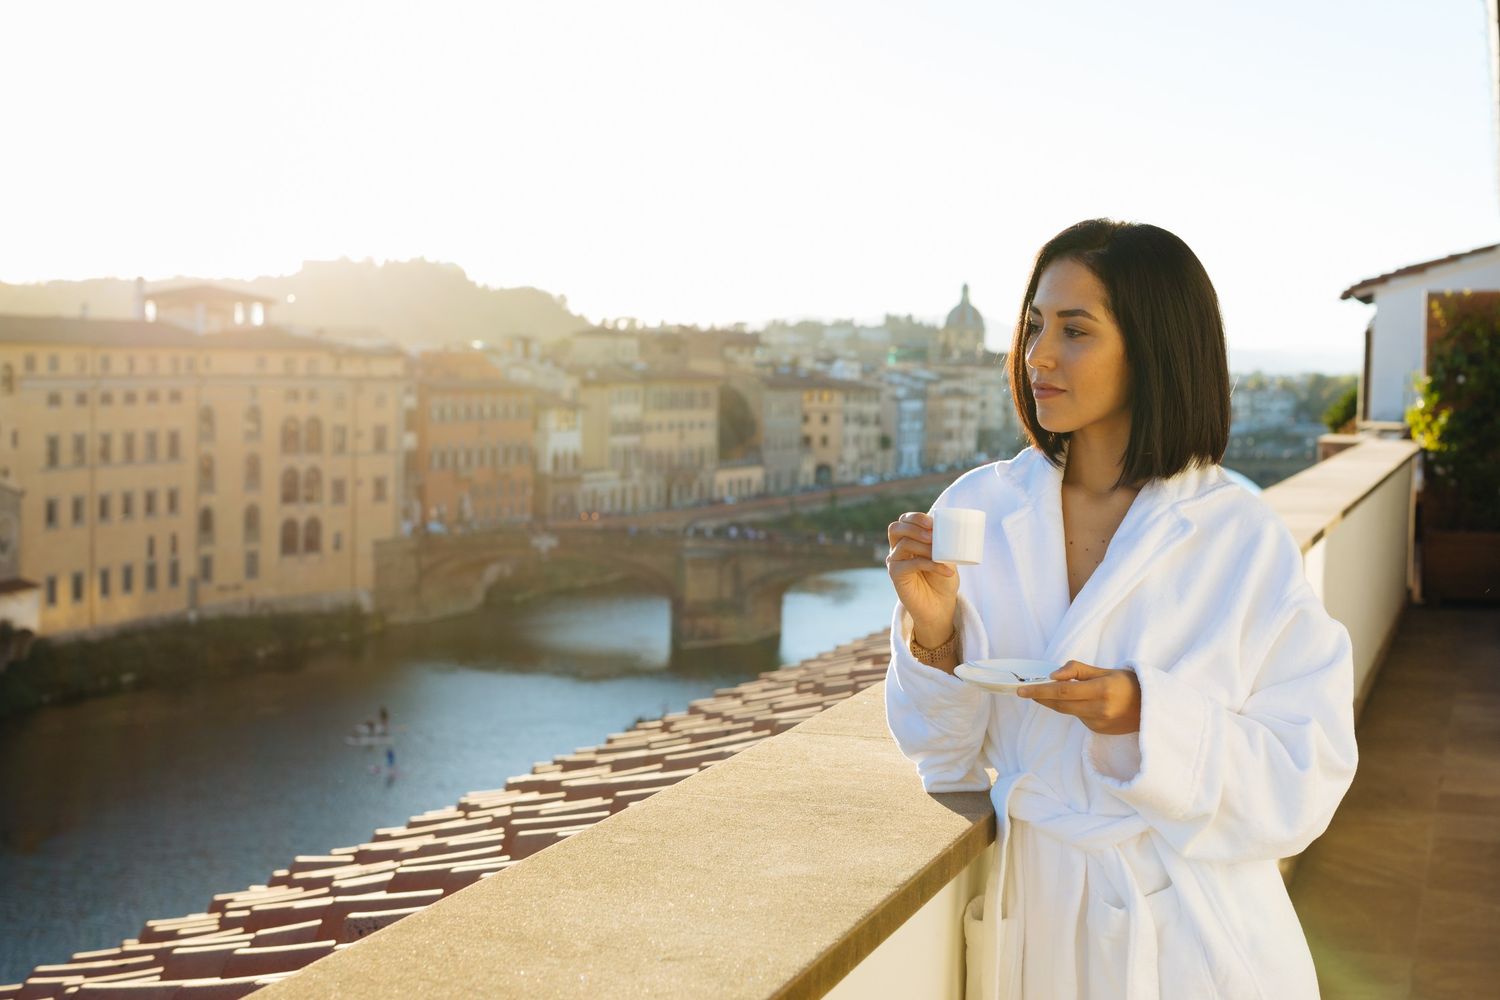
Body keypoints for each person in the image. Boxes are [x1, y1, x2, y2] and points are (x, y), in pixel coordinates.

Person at [884, 219, 1357, 999]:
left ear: (1154, 349)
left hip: (1191, 944)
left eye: (1075, 331)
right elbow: (940, 757)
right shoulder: (979, 511)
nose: (1038, 355)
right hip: (1035, 922)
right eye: (1035, 325)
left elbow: (1307, 777)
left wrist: (1145, 718)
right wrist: (934, 635)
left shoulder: (1237, 536)